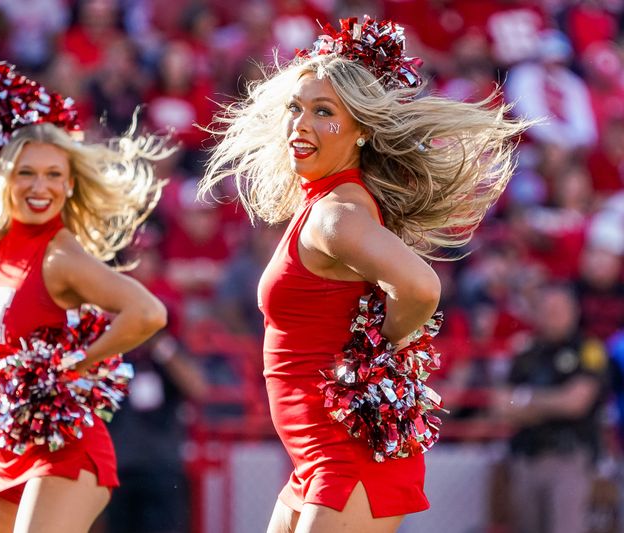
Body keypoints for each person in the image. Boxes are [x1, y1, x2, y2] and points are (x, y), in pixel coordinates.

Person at [199, 16, 527, 533]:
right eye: (295, 108)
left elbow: (422, 288)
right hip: (315, 461)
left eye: (323, 112)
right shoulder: (326, 207)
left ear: (362, 133)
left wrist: (375, 348)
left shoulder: (338, 216)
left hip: (346, 460)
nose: (299, 125)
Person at [0, 90, 169, 530]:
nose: (40, 188)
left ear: (70, 183)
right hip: (7, 454)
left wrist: (73, 365)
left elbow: (147, 312)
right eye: (26, 173)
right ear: (5, 179)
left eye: (54, 175)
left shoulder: (60, 256)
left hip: (67, 450)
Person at [492, 283, 607, 533]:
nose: (552, 315)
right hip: (527, 455)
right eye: (547, 309)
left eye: (559, 309)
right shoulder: (526, 350)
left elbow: (576, 403)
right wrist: (551, 402)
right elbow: (501, 404)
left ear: (574, 311)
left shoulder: (588, 349)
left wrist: (526, 400)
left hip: (568, 456)